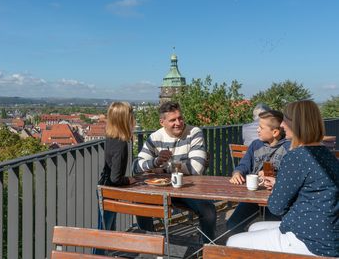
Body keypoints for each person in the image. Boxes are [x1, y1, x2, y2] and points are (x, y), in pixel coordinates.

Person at [227, 100, 339, 257]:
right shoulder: (326, 155)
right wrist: (281, 184)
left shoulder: (297, 156)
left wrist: (279, 187)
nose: (283, 125)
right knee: (254, 227)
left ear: (296, 124)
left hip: (309, 240)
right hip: (328, 235)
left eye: (286, 120)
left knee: (232, 242)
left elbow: (276, 207)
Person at [135, 101, 217, 243]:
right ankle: (151, 244)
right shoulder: (155, 137)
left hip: (190, 190)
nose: (178, 123)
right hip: (162, 190)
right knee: (140, 203)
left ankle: (207, 248)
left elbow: (196, 168)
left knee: (208, 211)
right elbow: (138, 166)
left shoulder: (194, 132)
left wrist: (162, 167)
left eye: (180, 118)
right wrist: (156, 162)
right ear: (162, 122)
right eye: (173, 120)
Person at [227, 110, 290, 233]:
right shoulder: (255, 145)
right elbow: (244, 164)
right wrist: (237, 173)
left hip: (275, 200)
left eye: (260, 127)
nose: (257, 130)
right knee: (232, 225)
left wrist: (271, 173)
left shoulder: (288, 148)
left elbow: (289, 176)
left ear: (275, 132)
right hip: (253, 198)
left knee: (272, 231)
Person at [96, 102, 136, 230]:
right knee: (104, 231)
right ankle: (100, 251)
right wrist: (129, 179)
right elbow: (116, 178)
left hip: (103, 187)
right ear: (125, 120)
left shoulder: (110, 137)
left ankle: (107, 250)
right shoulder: (121, 144)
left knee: (106, 229)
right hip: (109, 191)